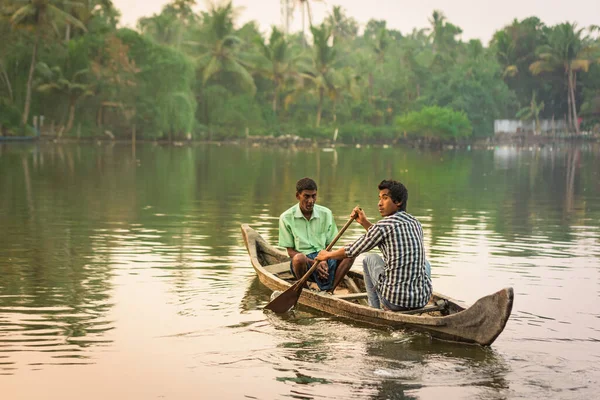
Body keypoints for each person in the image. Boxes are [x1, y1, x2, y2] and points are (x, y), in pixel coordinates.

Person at [318, 180, 432, 310]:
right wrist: (364, 222)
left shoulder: (383, 226)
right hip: (421, 300)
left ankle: (374, 309)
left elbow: (352, 250)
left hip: (395, 301)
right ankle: (415, 299)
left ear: (398, 202)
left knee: (369, 259)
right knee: (425, 263)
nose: (379, 203)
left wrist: (328, 255)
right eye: (380, 198)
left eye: (385, 198)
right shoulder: (415, 222)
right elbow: (385, 237)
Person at [279, 177, 354, 292]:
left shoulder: (326, 213)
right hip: (304, 262)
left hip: (325, 257)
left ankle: (330, 290)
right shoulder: (286, 217)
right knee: (298, 258)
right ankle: (304, 290)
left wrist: (324, 259)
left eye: (314, 196)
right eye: (306, 196)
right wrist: (314, 262)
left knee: (351, 252)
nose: (311, 201)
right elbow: (290, 252)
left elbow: (330, 245)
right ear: (298, 196)